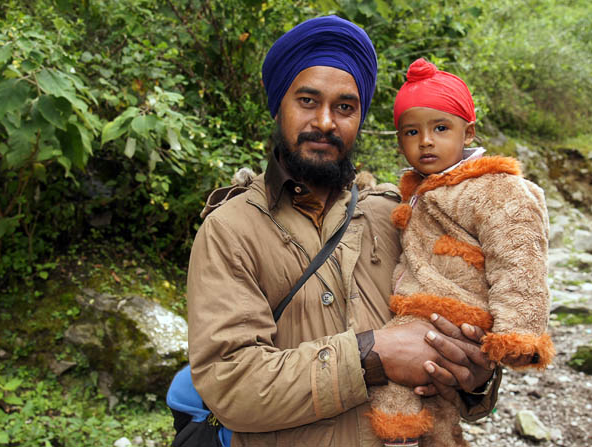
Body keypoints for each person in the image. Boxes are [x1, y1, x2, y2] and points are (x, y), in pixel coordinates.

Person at [186, 18, 501, 447]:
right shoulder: (231, 230)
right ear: (279, 106)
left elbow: (461, 331)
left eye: (345, 107)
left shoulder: (400, 215)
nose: (326, 121)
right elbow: (230, 384)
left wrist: (476, 375)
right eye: (307, 100)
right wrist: (373, 354)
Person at [366, 58, 554, 446]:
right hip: (422, 311)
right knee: (433, 410)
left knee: (398, 395)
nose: (426, 141)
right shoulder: (426, 188)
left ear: (468, 132)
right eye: (411, 132)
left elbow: (518, 255)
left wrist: (520, 331)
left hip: (454, 311)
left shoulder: (491, 188)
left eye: (440, 128)